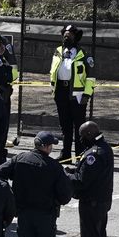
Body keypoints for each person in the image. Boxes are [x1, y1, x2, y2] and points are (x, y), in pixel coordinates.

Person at [68, 121, 117, 237]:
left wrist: (66, 176)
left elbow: (82, 181)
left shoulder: (94, 154)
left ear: (88, 134)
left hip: (92, 203)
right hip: (101, 202)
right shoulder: (104, 148)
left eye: (82, 136)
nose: (81, 140)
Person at [48, 25, 95, 162]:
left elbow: (91, 78)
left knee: (79, 127)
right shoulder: (58, 52)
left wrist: (87, 94)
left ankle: (80, 155)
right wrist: (53, 90)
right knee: (65, 125)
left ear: (76, 37)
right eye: (64, 35)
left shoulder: (84, 54)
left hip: (78, 95)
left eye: (69, 35)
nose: (66, 37)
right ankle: (66, 154)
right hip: (61, 92)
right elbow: (52, 72)